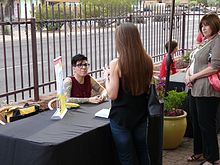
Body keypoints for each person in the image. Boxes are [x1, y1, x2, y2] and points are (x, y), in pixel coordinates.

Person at [103, 23, 153, 165]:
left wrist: (107, 77)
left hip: (121, 119)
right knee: (143, 153)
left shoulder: (117, 64)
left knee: (127, 158)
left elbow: (112, 94)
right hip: (141, 115)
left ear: (120, 40)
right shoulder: (148, 61)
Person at [185, 13, 220, 165]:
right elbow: (193, 62)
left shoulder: (217, 41)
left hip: (207, 90)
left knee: (206, 123)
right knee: (196, 122)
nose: (204, 28)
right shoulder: (206, 42)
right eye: (202, 25)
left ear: (214, 25)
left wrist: (194, 77)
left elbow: (215, 67)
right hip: (195, 88)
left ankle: (213, 158)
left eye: (207, 25)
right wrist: (188, 74)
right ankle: (199, 152)